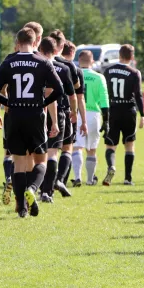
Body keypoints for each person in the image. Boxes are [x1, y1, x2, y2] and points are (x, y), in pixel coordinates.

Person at [0, 28, 63, 218]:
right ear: (35, 41)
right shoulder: (43, 61)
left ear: (18, 41)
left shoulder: (9, 62)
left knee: (19, 163)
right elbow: (59, 89)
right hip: (35, 115)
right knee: (41, 160)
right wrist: (42, 103)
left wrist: (10, 103)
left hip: (15, 115)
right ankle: (32, 188)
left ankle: (21, 207)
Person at [38, 36, 76, 202]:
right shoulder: (64, 68)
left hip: (37, 112)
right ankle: (47, 192)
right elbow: (72, 94)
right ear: (56, 50)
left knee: (37, 154)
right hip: (58, 112)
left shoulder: (36, 65)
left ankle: (34, 188)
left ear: (40, 49)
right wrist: (74, 112)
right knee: (53, 153)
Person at [103, 44, 144, 186]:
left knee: (110, 145)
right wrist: (143, 115)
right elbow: (138, 95)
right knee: (129, 145)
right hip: (129, 111)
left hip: (113, 110)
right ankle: (128, 178)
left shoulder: (108, 71)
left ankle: (111, 167)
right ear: (132, 57)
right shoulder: (134, 72)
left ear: (119, 55)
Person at [73, 50, 109, 186]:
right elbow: (105, 101)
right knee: (91, 149)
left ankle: (77, 177)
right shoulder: (99, 77)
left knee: (77, 147)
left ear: (79, 60)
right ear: (92, 61)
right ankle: (89, 179)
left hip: (77, 113)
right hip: (93, 114)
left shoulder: (73, 75)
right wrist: (106, 120)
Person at [55, 39, 88, 187]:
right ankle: (61, 180)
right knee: (67, 147)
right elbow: (79, 97)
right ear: (73, 53)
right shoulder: (75, 70)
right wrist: (83, 120)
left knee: (51, 149)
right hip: (67, 112)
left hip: (49, 110)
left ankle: (47, 182)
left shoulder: (50, 64)